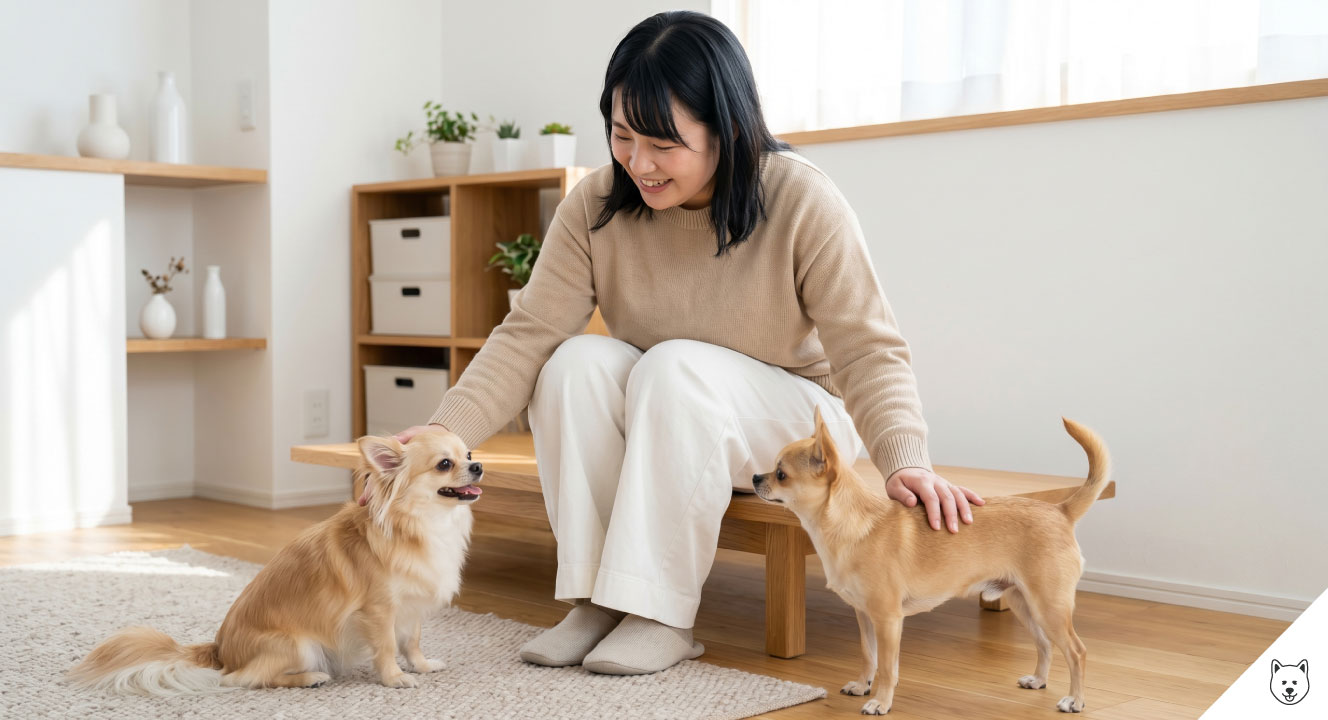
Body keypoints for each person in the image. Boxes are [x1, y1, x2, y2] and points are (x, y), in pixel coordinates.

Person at [394, 10, 984, 676]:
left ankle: (660, 614)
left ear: (726, 131)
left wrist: (906, 460)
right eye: (621, 136)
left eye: (662, 144)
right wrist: (439, 437)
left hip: (797, 424)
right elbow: (526, 334)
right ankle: (597, 600)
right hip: (671, 401)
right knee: (574, 363)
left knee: (673, 366)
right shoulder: (595, 205)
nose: (638, 163)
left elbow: (867, 349)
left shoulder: (800, 199)